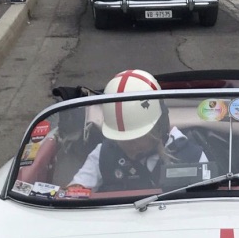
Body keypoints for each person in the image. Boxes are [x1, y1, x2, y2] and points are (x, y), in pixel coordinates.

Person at [70, 70, 209, 194]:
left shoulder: (192, 156)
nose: (126, 145)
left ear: (158, 128)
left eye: (134, 138)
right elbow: (73, 193)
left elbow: (209, 208)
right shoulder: (103, 154)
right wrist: (75, 190)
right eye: (120, 138)